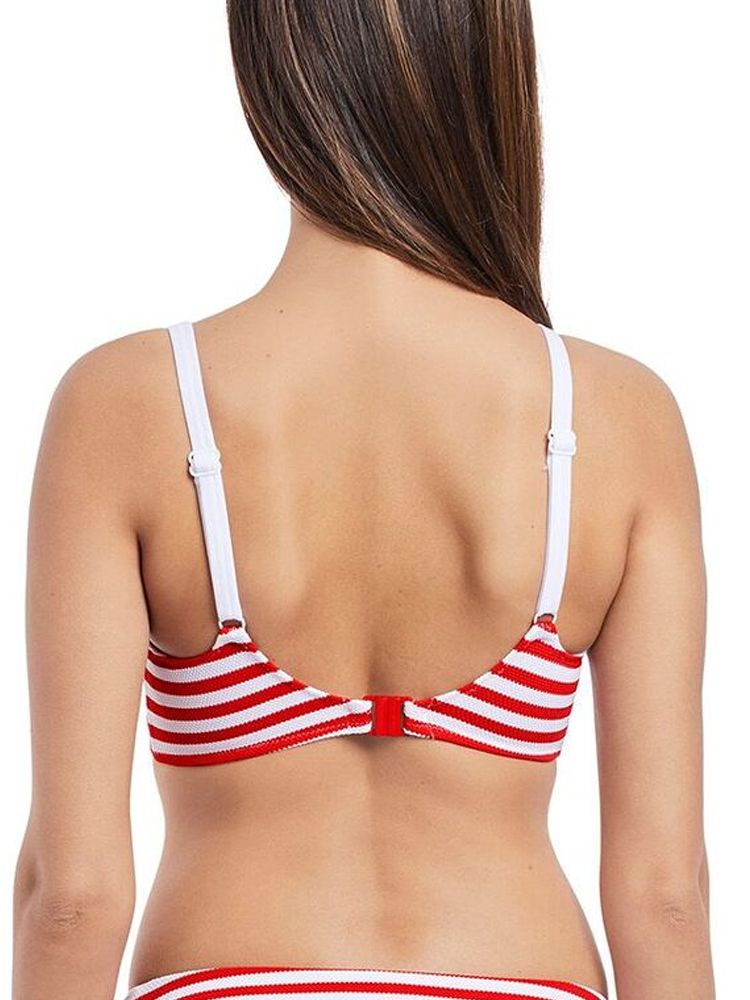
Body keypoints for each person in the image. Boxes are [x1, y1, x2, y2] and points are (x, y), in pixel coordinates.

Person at [12, 3, 715, 1000]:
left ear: (270, 76)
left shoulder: (130, 403)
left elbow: (72, 897)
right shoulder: (617, 415)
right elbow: (665, 895)